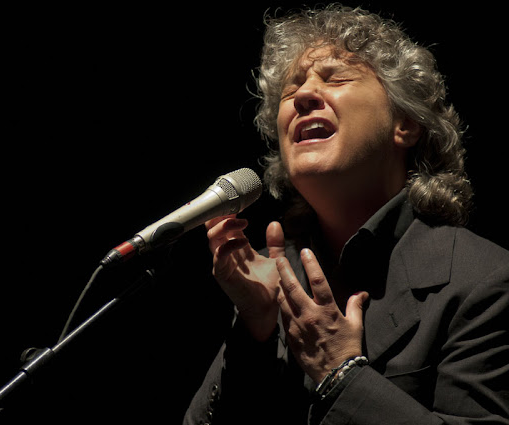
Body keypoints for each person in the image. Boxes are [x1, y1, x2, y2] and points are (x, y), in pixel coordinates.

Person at [183, 5, 509, 425]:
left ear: (405, 123)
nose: (301, 96)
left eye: (336, 78)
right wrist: (254, 333)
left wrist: (341, 377)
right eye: (291, 89)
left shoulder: (483, 279)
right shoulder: (271, 276)